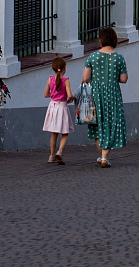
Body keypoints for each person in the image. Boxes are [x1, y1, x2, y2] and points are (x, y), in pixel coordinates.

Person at [81, 27, 128, 167]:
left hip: (96, 93)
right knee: (111, 123)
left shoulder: (92, 57)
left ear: (101, 40)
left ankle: (102, 156)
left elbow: (85, 78)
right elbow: (124, 79)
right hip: (113, 94)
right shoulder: (119, 58)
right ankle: (104, 157)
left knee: (97, 123)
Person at [42, 57, 73, 164]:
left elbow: (46, 94)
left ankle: (51, 156)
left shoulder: (50, 80)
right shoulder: (66, 81)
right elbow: (69, 95)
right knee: (65, 132)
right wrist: (71, 98)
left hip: (52, 106)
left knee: (54, 133)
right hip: (62, 107)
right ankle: (59, 151)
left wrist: (54, 95)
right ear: (64, 68)